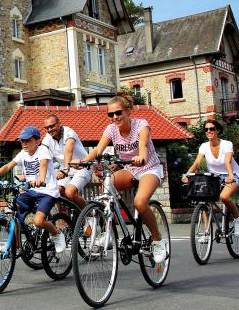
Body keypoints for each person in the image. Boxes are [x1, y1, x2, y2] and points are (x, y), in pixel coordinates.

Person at [72, 92, 168, 263]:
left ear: (128, 111)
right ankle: (107, 230)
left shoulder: (141, 125)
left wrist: (142, 157)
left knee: (140, 202)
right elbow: (98, 150)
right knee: (106, 188)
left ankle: (157, 240)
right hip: (130, 169)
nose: (115, 117)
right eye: (111, 114)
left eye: (118, 113)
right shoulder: (111, 129)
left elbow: (143, 145)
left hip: (149, 168)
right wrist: (84, 161)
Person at [0, 126, 66, 253]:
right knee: (11, 212)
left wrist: (41, 179)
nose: (24, 144)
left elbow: (43, 165)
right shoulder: (23, 153)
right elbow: (8, 166)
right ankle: (14, 246)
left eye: (27, 140)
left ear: (37, 141)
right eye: (22, 141)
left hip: (47, 191)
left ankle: (57, 233)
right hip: (31, 191)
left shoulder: (42, 150)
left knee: (38, 221)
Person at [182, 120, 239, 237]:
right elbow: (196, 163)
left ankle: (238, 219)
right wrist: (187, 174)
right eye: (206, 129)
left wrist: (231, 176)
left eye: (211, 129)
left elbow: (228, 161)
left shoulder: (227, 144)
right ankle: (207, 232)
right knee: (202, 200)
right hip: (214, 177)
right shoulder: (204, 146)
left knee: (224, 197)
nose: (208, 131)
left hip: (232, 174)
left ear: (218, 130)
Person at [41, 114, 91, 209]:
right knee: (55, 192)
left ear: (59, 124)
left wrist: (65, 169)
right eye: (47, 128)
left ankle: (89, 215)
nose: (50, 130)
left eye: (52, 126)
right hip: (66, 170)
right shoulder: (47, 138)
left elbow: (69, 150)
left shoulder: (68, 132)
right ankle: (64, 217)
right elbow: (42, 156)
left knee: (70, 192)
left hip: (82, 167)